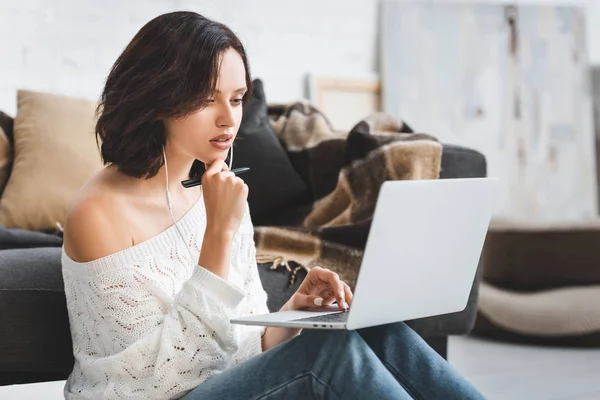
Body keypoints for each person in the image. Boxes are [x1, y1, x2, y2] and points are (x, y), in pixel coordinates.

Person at [61, 11, 485, 400]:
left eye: (238, 97)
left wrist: (289, 318)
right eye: (208, 99)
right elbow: (163, 380)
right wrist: (219, 234)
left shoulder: (217, 189)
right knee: (329, 355)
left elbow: (235, 346)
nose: (229, 118)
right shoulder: (99, 214)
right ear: (158, 98)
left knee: (373, 327)